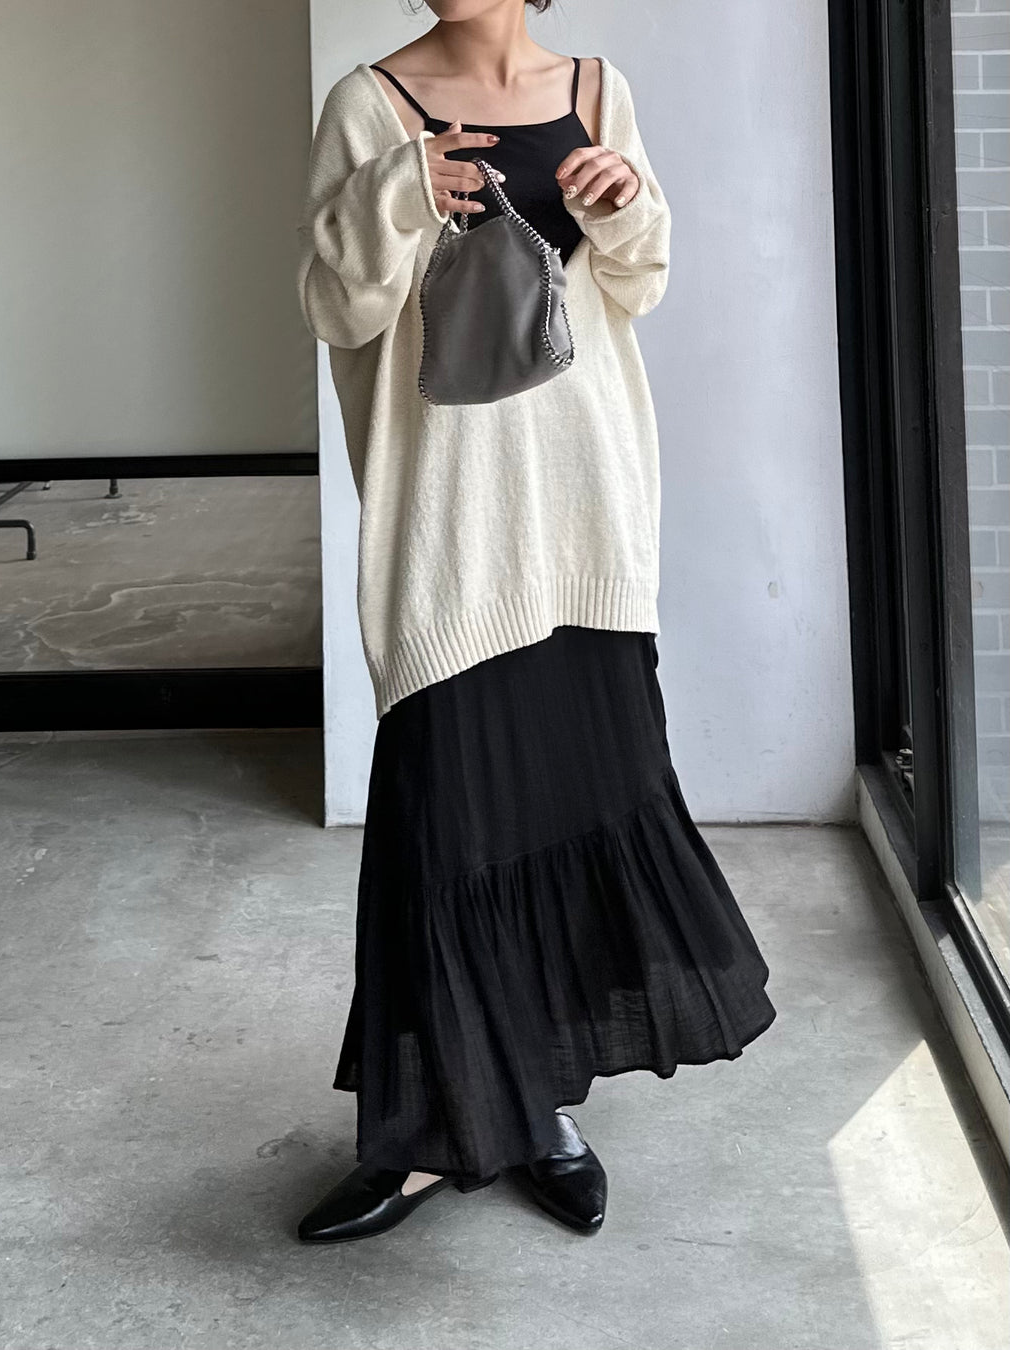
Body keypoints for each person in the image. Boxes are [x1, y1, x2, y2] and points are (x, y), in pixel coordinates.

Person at [293, 0, 777, 1244]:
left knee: (570, 810)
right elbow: (338, 310)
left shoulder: (599, 89)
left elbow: (639, 283)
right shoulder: (370, 104)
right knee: (447, 831)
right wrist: (401, 191)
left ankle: (539, 1105)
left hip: (589, 516)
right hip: (450, 529)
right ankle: (423, 1138)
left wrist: (626, 206)